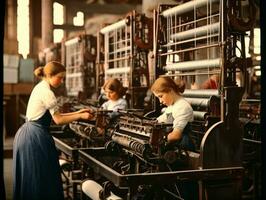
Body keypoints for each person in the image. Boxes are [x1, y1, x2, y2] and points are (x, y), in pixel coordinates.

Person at [13, 61, 94, 200]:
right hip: (35, 138)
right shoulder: (47, 92)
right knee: (41, 177)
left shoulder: (40, 87)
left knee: (32, 177)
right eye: (60, 77)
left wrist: (80, 111)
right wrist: (81, 116)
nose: (61, 81)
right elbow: (58, 120)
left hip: (26, 133)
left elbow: (57, 116)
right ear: (50, 75)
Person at [150, 77, 194, 150]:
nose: (160, 101)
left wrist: (159, 138)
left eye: (161, 96)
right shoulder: (172, 106)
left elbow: (176, 135)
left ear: (170, 90)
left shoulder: (183, 106)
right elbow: (161, 119)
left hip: (183, 148)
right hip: (174, 146)